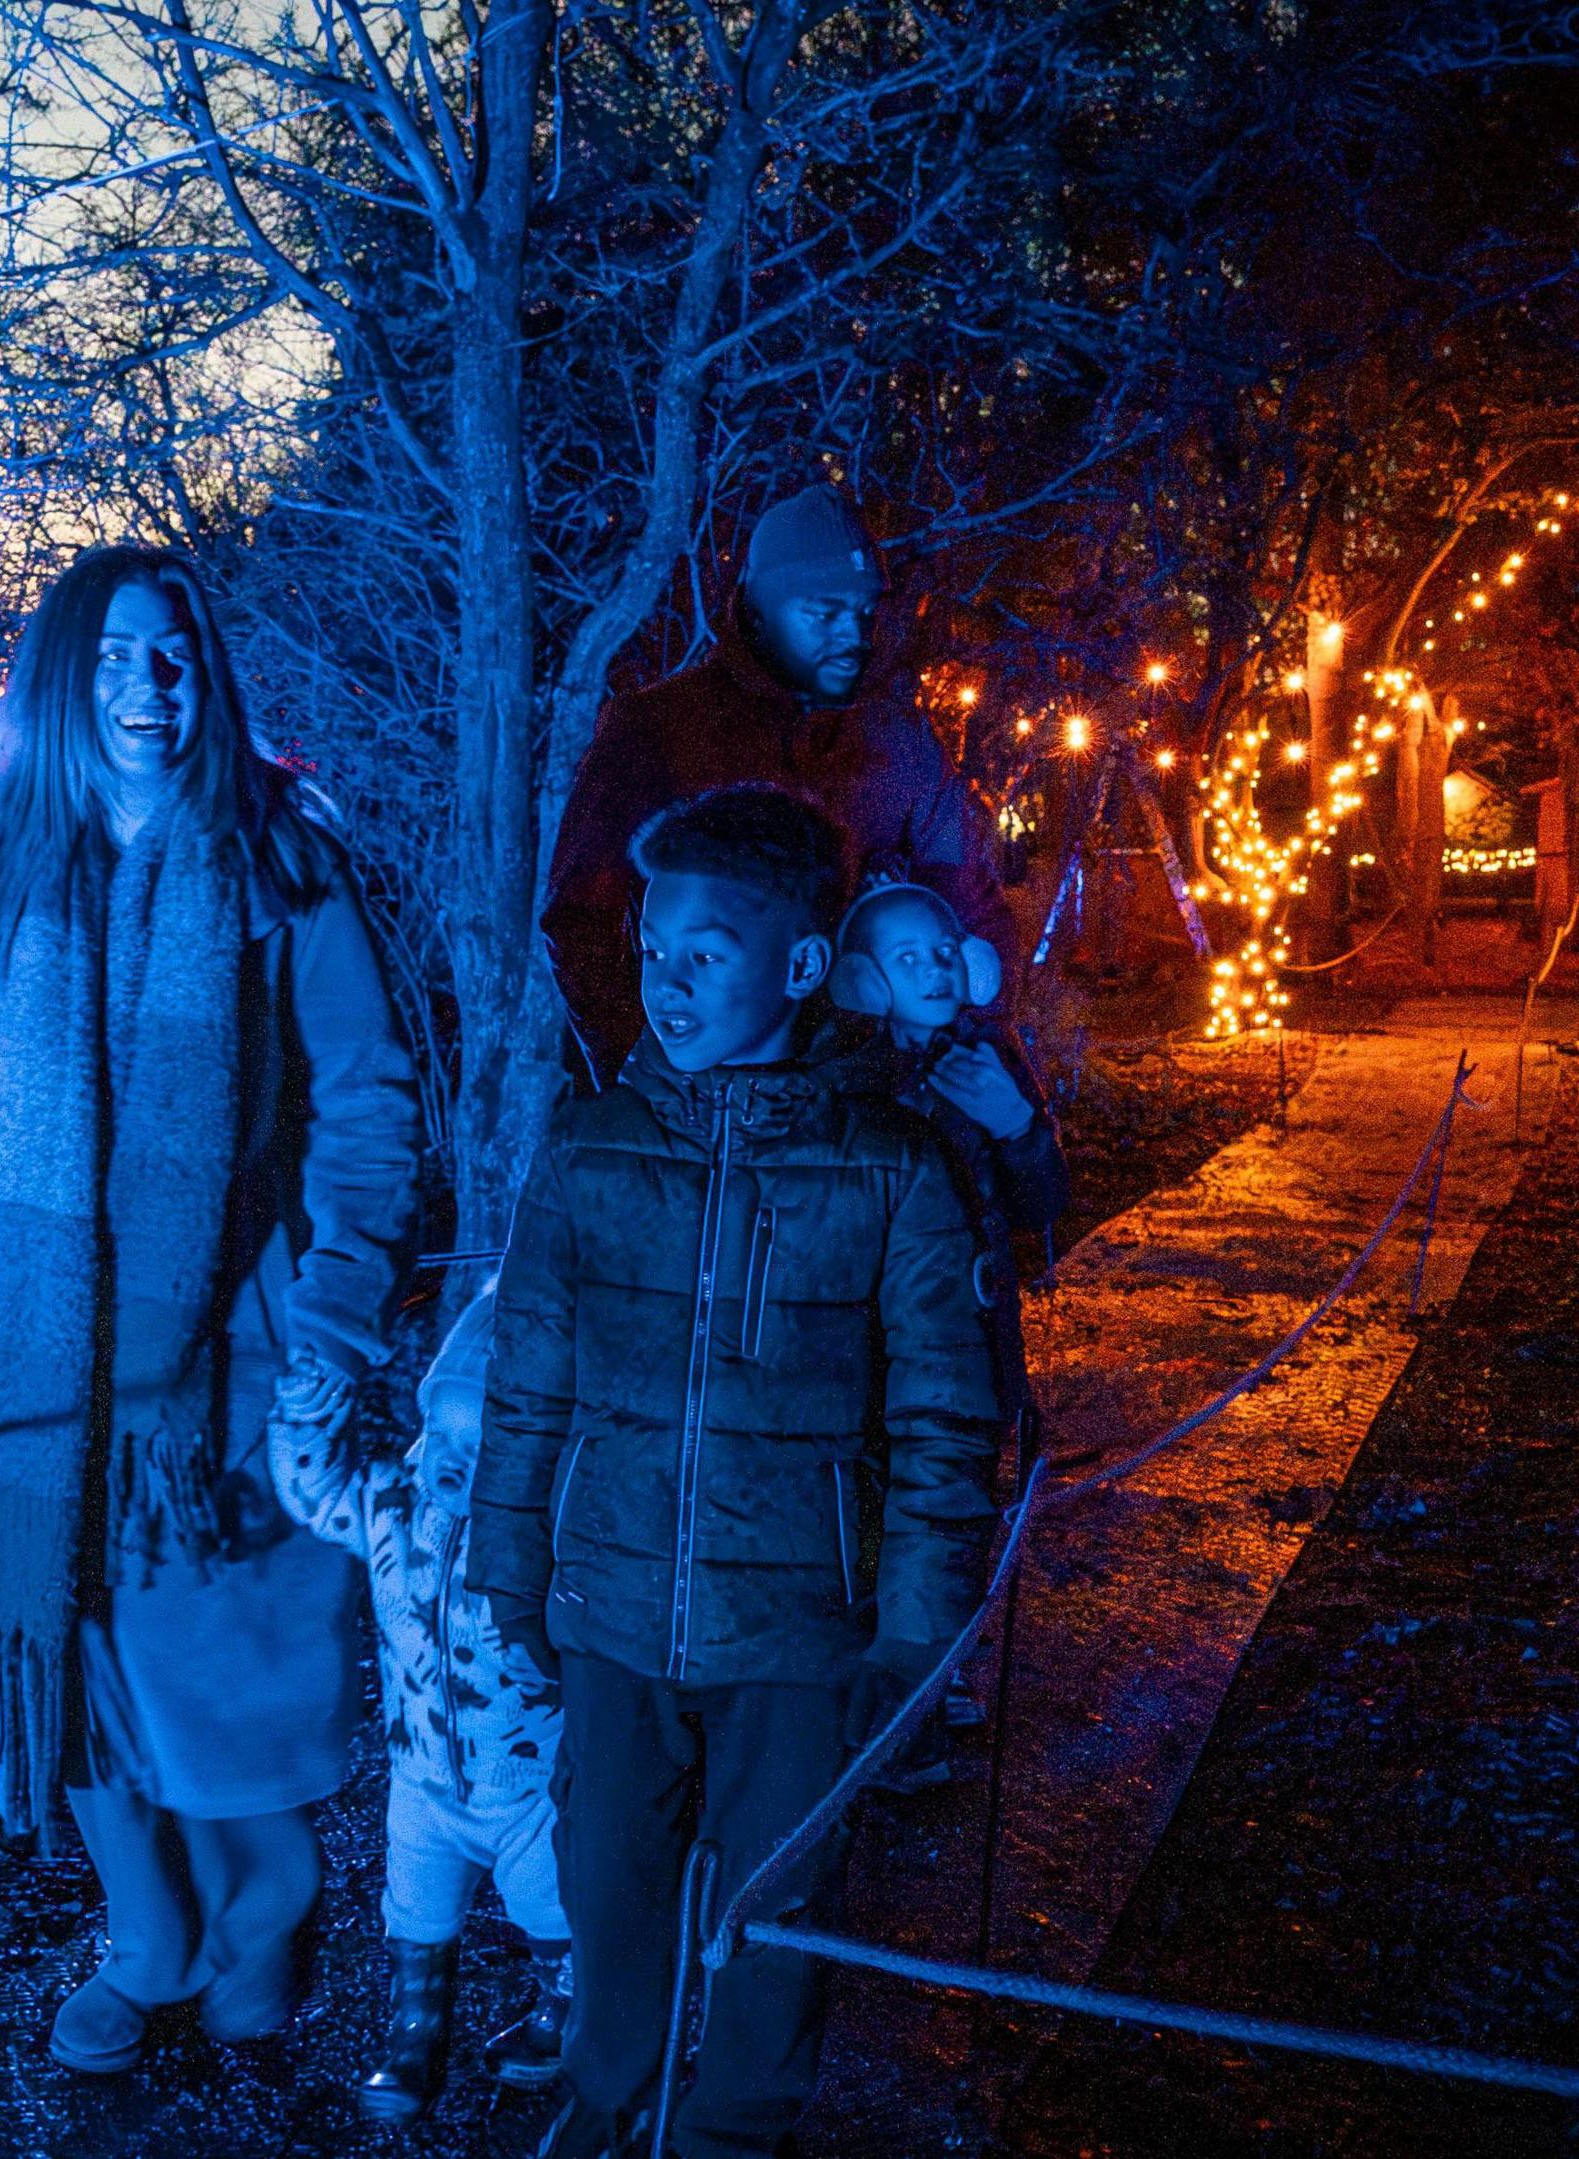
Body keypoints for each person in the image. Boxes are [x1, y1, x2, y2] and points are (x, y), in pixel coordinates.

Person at [0, 542, 421, 2074]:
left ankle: (270, 1900)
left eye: (170, 653)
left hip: (234, 1349)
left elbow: (368, 1106)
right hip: (44, 1357)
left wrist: (340, 1305)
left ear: (206, 673)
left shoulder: (284, 865)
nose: (144, 686)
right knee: (73, 1636)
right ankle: (145, 1934)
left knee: (225, 1657)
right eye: (107, 656)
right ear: (57, 682)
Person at [466, 784, 1001, 2158]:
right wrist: (512, 1574)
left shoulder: (892, 1169)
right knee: (609, 1877)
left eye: (707, 952)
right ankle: (610, 2095)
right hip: (613, 1607)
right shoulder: (589, 1151)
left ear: (803, 962)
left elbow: (945, 1419)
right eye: (656, 950)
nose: (669, 981)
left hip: (802, 1630)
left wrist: (916, 1636)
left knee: (777, 1899)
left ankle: (733, 2129)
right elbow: (527, 1383)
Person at [541, 482, 1021, 1087]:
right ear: (760, 609)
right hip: (715, 1097)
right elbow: (580, 919)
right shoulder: (660, 731)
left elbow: (971, 906)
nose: (851, 636)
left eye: (862, 613)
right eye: (822, 613)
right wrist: (657, 1071)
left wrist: (969, 1047)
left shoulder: (901, 744)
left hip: (869, 1097)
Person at [265, 1283, 570, 2121]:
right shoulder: (389, 1503)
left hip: (531, 1783)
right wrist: (310, 1401)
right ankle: (414, 2032)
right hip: (423, 1775)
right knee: (416, 1901)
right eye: (443, 1432)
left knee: (552, 1899)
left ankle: (564, 2011)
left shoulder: (547, 1535)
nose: (452, 1461)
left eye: (484, 1445)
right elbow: (313, 1489)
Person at [828, 878, 1067, 1792]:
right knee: (887, 1519)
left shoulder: (989, 1059)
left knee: (964, 1504)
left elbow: (1041, 1205)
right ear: (863, 977)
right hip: (880, 1353)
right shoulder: (844, 1080)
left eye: (943, 950)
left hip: (979, 1335)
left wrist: (1019, 1127)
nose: (933, 969)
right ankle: (892, 1704)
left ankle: (938, 1671)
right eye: (906, 956)